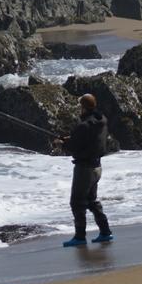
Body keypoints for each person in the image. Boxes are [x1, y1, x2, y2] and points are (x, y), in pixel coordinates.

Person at [53, 93, 113, 247]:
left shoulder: (83, 125)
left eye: (80, 106)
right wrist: (70, 139)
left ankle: (80, 237)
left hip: (84, 169)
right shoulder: (101, 120)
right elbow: (88, 139)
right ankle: (105, 232)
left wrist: (61, 144)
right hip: (97, 167)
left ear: (83, 107)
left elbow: (74, 146)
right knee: (92, 201)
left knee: (77, 202)